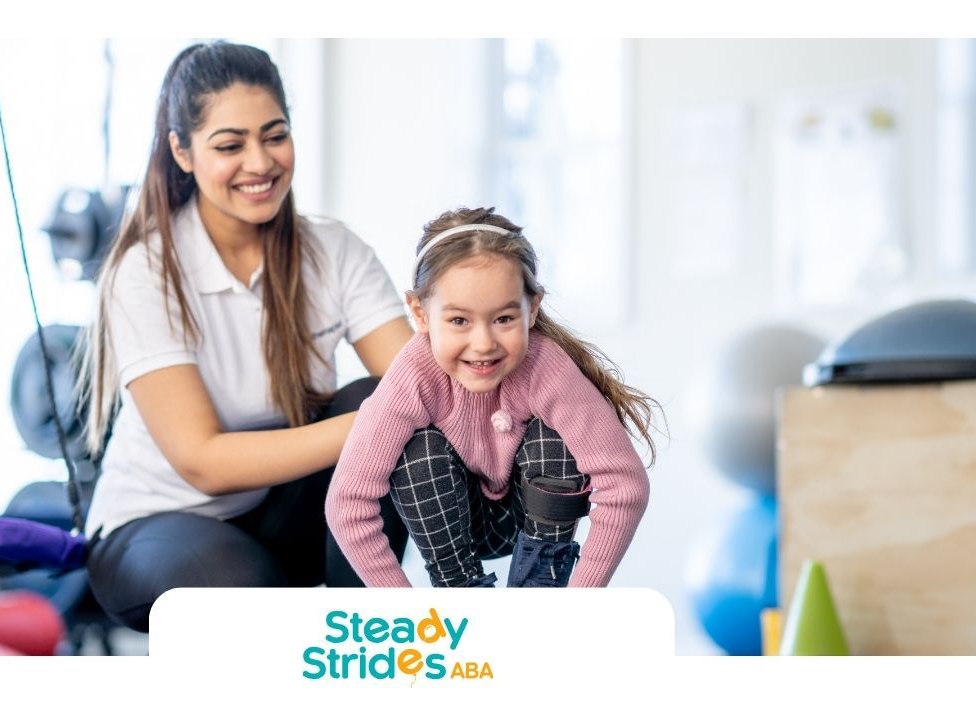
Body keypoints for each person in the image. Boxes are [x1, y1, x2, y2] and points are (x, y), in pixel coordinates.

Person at [78, 42, 413, 631]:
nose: (259, 163)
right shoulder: (145, 271)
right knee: (245, 591)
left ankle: (364, 641)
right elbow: (203, 462)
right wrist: (375, 427)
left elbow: (422, 384)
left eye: (274, 135)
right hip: (156, 524)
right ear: (182, 152)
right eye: (230, 145)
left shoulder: (334, 251)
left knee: (381, 395)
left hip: (283, 515)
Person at [326, 207, 658, 588]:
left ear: (531, 308)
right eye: (458, 321)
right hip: (452, 522)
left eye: (503, 319)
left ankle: (539, 590)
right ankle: (461, 592)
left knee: (555, 437)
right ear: (420, 313)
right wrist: (407, 609)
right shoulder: (413, 375)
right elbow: (347, 504)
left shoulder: (546, 367)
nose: (483, 344)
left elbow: (625, 485)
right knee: (417, 448)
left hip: (530, 519)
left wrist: (580, 600)